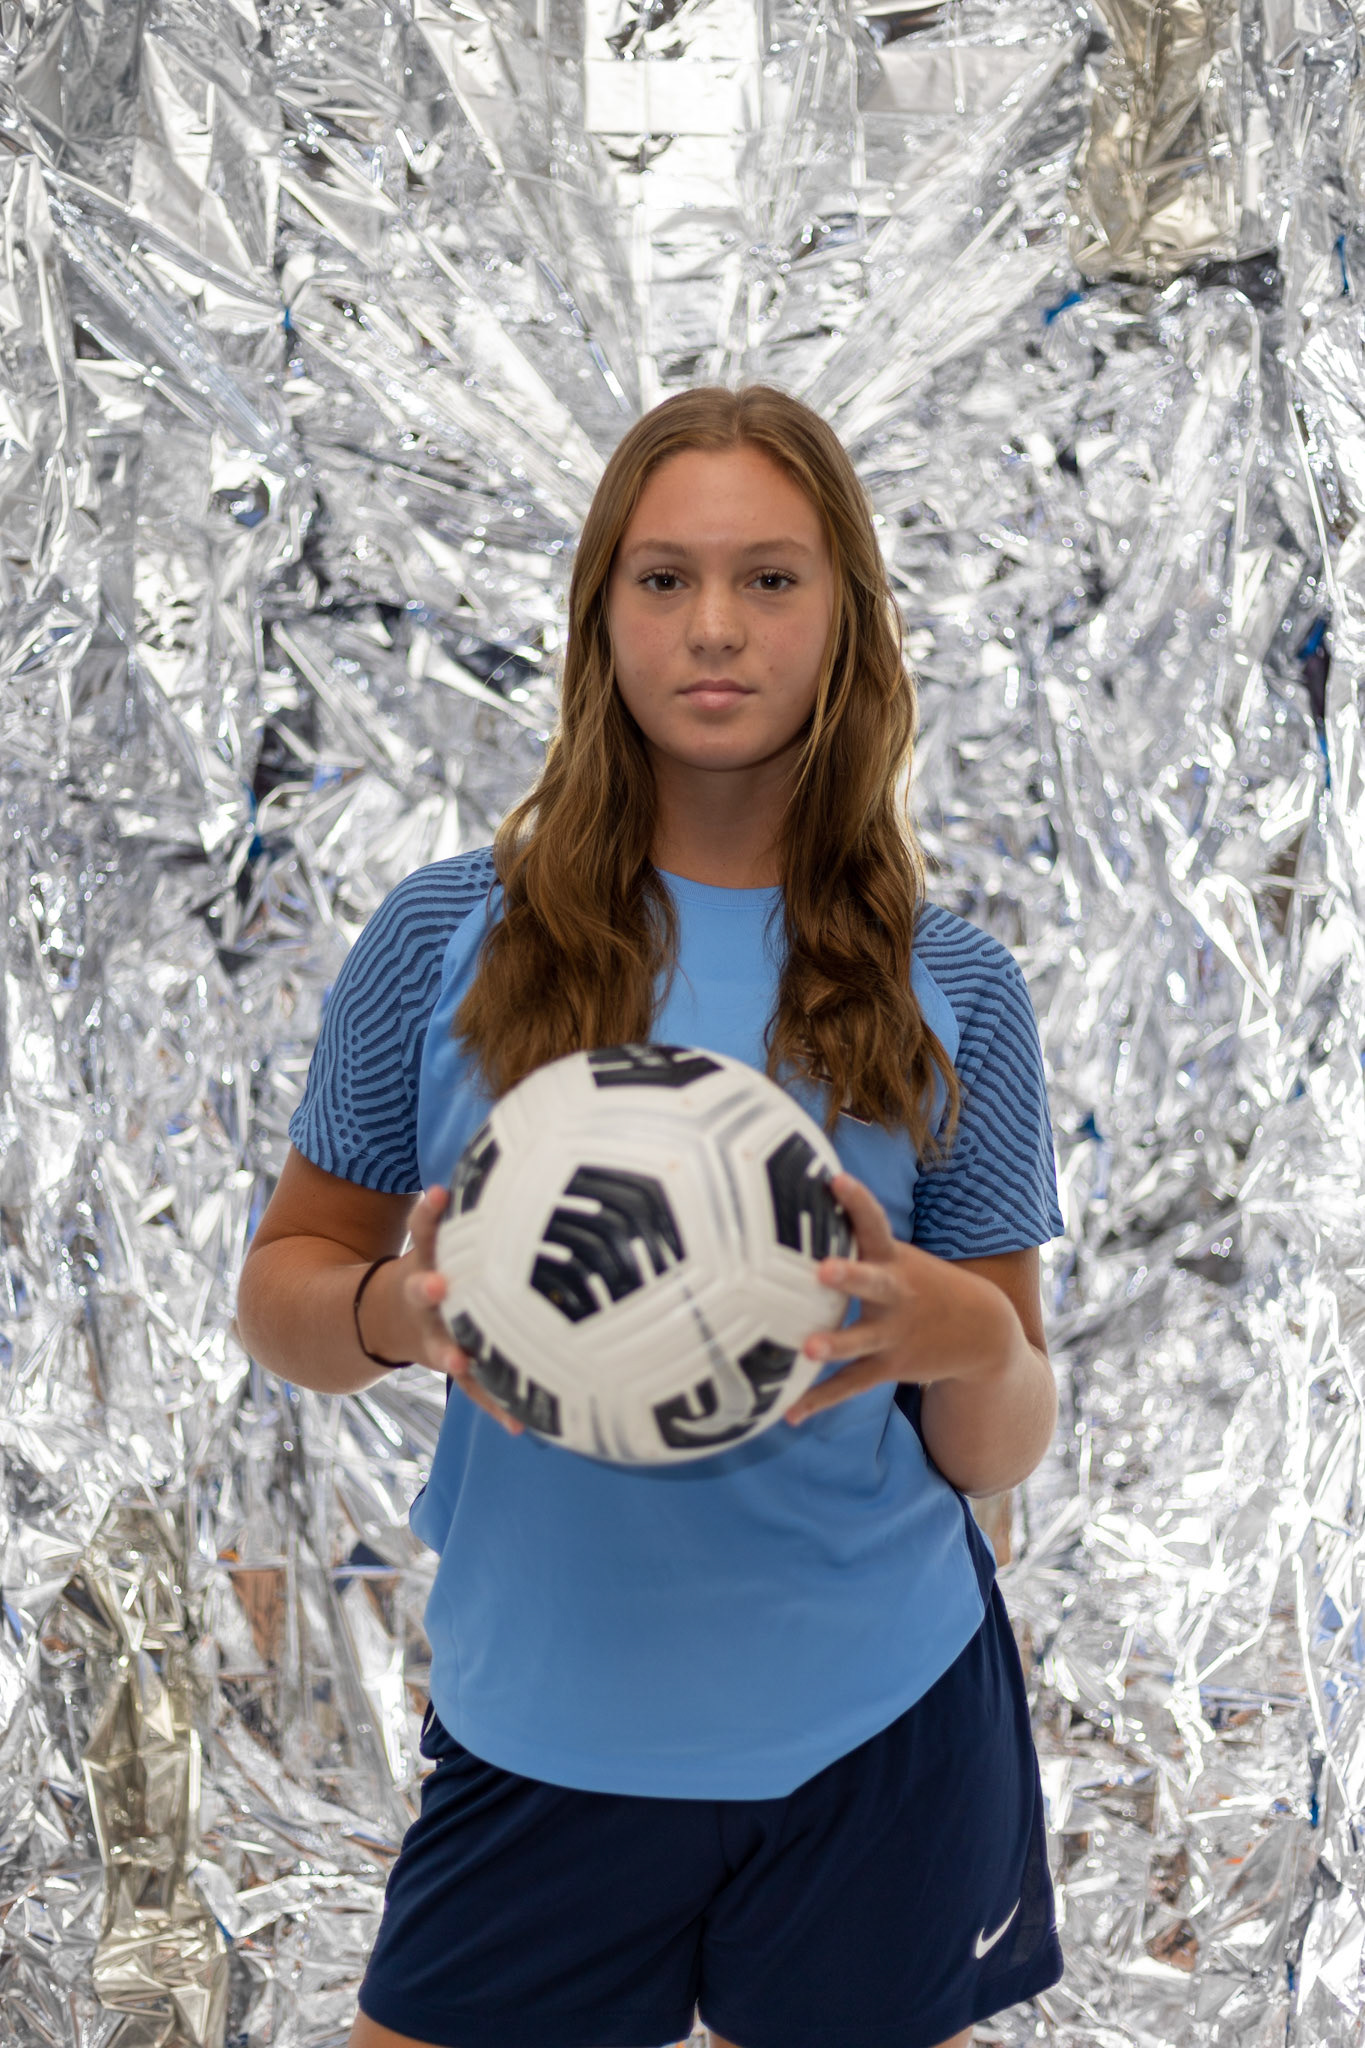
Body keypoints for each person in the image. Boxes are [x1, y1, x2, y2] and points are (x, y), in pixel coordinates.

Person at [235, 383, 1067, 2048]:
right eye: (662, 577)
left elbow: (995, 1441)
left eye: (771, 580)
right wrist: (400, 1315)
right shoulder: (445, 938)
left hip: (875, 1725)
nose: (714, 628)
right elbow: (283, 1297)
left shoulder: (950, 984)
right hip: (546, 1723)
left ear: (845, 622)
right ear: (599, 614)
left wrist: (958, 1328)